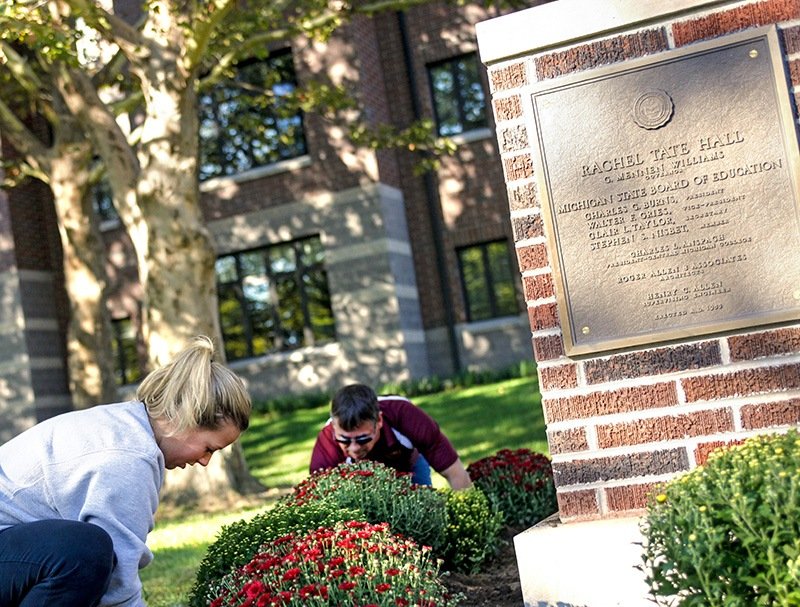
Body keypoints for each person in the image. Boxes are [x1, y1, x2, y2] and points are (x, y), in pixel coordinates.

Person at [0, 335, 251, 607]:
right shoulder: (128, 459)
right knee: (83, 553)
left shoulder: (128, 427)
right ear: (185, 418)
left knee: (84, 553)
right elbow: (118, 587)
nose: (205, 462)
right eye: (208, 448)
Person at [310, 383, 472, 490]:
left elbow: (455, 472)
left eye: (362, 439)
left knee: (425, 511)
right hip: (360, 483)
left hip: (409, 465)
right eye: (344, 440)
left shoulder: (405, 415)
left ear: (379, 420)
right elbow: (317, 498)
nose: (353, 448)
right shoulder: (327, 442)